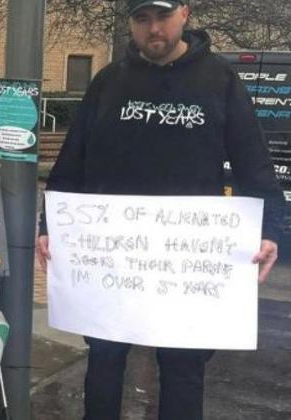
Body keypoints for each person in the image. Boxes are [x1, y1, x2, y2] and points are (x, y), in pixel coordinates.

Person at [35, 0, 285, 419]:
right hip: (112, 260)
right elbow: (72, 161)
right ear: (131, 23)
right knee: (104, 363)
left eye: (163, 17)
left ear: (184, 14)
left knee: (183, 369)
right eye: (142, 19)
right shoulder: (109, 82)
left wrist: (271, 228)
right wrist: (49, 226)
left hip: (187, 262)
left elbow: (253, 163)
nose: (154, 29)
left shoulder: (218, 79)